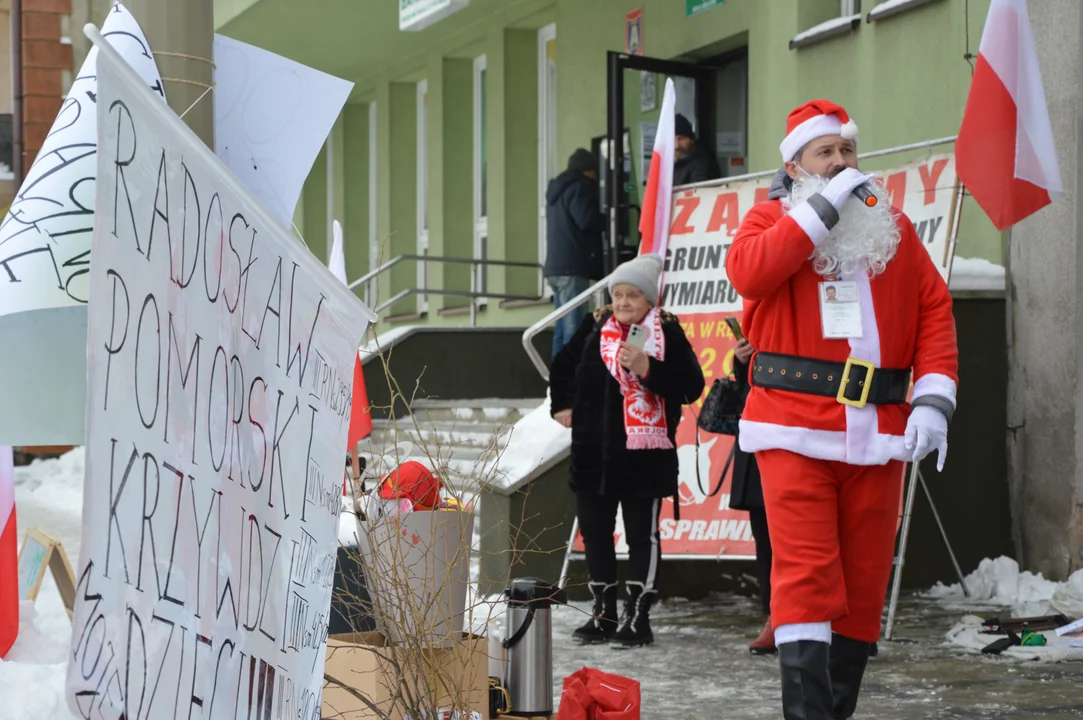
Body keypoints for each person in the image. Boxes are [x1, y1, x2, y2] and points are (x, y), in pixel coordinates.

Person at [726, 100, 958, 719]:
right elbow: (749, 272)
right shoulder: (770, 218)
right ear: (796, 165)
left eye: (847, 151)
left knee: (862, 587)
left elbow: (934, 310)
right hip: (795, 429)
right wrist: (822, 209)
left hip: (881, 433)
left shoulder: (893, 229)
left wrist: (932, 401)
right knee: (804, 580)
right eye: (824, 153)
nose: (840, 163)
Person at [549, 253, 705, 649]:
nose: (622, 303)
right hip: (592, 456)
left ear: (649, 300)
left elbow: (691, 386)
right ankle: (604, 613)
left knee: (641, 537)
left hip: (642, 460)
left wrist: (647, 366)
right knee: (596, 534)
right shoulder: (595, 325)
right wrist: (563, 406)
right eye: (617, 295)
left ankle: (638, 616)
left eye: (631, 296)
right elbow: (562, 366)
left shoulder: (666, 332)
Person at [726, 337, 774, 655]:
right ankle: (777, 617)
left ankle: (847, 627)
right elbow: (747, 388)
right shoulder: (760, 313)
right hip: (764, 431)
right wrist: (742, 363)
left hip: (825, 427)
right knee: (768, 538)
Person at [544, 148, 606, 358]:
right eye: (594, 171)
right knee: (574, 329)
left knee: (561, 329)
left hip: (555, 268)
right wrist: (610, 220)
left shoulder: (557, 191)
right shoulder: (579, 189)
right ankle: (570, 382)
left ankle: (557, 380)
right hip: (572, 268)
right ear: (587, 171)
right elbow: (586, 219)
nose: (596, 177)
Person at [673, 113, 722, 187]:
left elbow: (699, 190)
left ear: (691, 140)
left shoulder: (703, 161)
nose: (676, 146)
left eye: (681, 139)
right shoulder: (671, 162)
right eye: (671, 140)